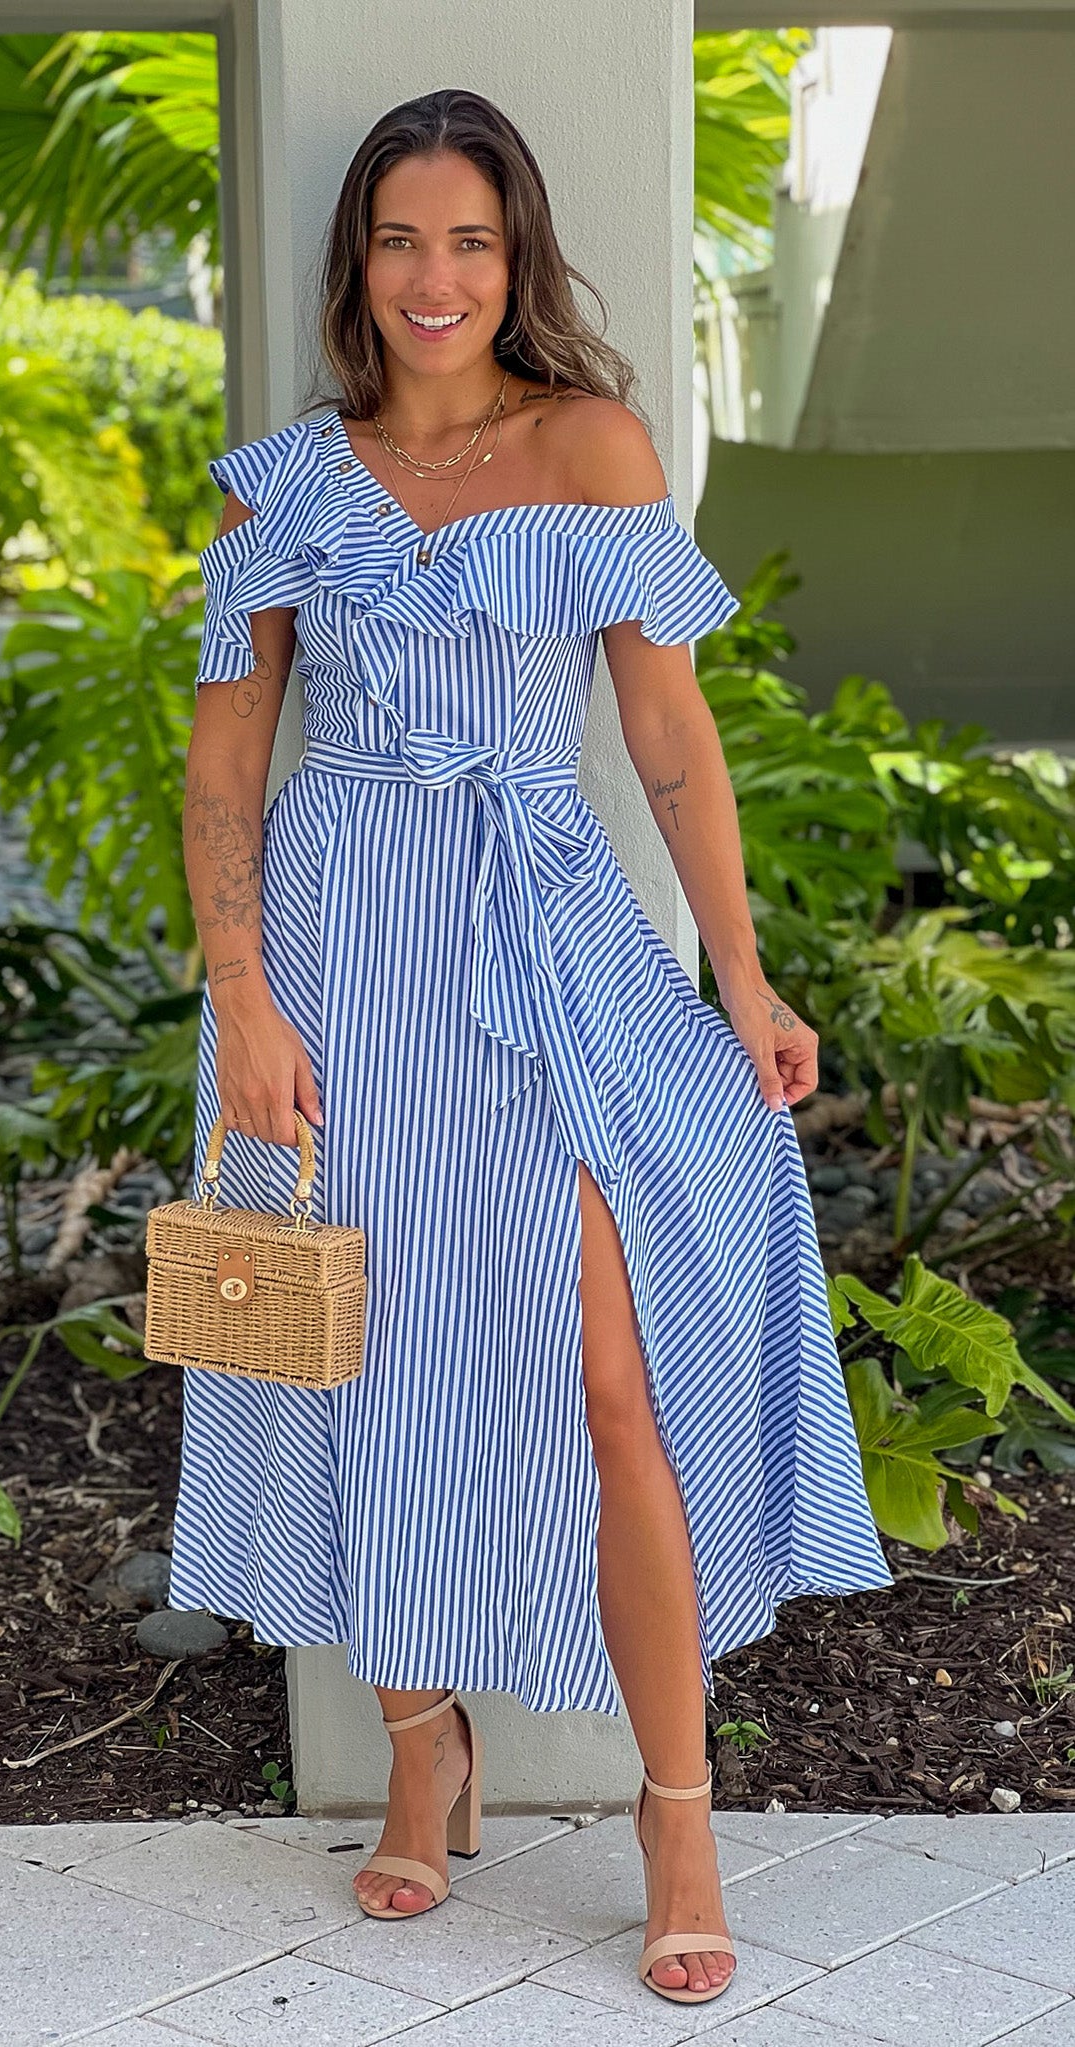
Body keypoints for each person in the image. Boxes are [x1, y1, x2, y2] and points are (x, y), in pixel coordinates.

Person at [170, 87, 891, 2006]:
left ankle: (676, 1806)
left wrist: (739, 977)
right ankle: (427, 1756)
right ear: (358, 265)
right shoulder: (285, 490)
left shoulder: (586, 447)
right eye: (400, 241)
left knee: (607, 1369)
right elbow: (226, 760)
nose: (434, 277)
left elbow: (667, 738)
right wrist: (243, 1001)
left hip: (541, 933)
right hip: (335, 961)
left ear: (518, 257)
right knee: (357, 1355)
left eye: (469, 241)